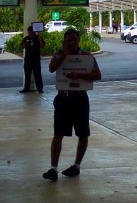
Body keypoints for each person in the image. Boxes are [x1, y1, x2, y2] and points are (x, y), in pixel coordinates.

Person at [43, 28, 101, 182]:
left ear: (79, 40)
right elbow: (52, 68)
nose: (71, 42)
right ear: (64, 41)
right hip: (63, 98)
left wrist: (79, 75)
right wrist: (65, 55)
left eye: (74, 39)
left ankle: (76, 166)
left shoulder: (87, 57)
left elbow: (98, 75)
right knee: (58, 133)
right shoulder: (59, 55)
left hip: (80, 98)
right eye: (68, 39)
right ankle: (53, 168)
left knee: (83, 133)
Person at [19, 25, 44, 93]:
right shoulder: (26, 38)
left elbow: (42, 46)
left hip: (36, 59)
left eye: (32, 32)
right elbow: (22, 46)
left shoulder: (38, 38)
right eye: (29, 32)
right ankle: (26, 88)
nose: (30, 34)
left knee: (37, 74)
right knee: (27, 74)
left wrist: (40, 40)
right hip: (28, 59)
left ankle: (40, 88)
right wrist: (25, 44)